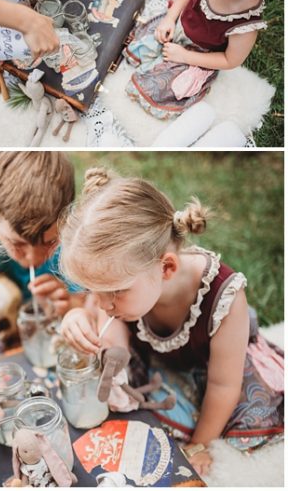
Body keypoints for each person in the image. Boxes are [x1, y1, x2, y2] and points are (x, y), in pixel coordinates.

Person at [58, 168, 284, 476]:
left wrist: (200, 444)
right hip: (157, 354)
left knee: (244, 409)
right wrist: (80, 317)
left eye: (113, 291)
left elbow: (223, 385)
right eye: (92, 290)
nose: (102, 303)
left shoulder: (225, 299)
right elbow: (104, 316)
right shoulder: (128, 288)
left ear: (166, 268)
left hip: (213, 369)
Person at [124, 0, 282, 118]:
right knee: (141, 42)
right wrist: (170, 17)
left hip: (198, 54)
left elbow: (229, 60)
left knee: (163, 88)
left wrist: (184, 57)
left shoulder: (245, 26)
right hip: (180, 26)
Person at [0, 151, 84, 315]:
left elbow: (92, 303)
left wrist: (69, 303)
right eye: (17, 243)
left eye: (50, 242)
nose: (33, 259)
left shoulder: (76, 235)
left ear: (67, 217)